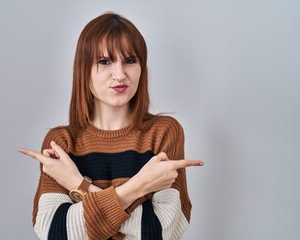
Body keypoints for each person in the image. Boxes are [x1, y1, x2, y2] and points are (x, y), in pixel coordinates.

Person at [19, 12, 203, 240]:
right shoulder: (61, 143)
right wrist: (140, 186)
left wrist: (77, 185)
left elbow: (161, 231)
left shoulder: (164, 132)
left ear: (141, 68)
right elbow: (56, 232)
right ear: (83, 69)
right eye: (104, 61)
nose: (119, 74)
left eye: (130, 60)